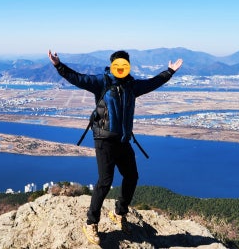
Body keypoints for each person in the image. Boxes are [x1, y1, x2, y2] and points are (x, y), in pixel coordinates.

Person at [48, 49, 183, 245]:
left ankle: (119, 213)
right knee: (105, 180)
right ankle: (90, 223)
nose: (121, 68)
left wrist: (169, 72)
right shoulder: (102, 82)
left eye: (124, 64)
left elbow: (153, 83)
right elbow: (78, 78)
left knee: (132, 176)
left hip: (123, 140)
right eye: (118, 64)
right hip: (104, 139)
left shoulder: (132, 86)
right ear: (112, 65)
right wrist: (59, 65)